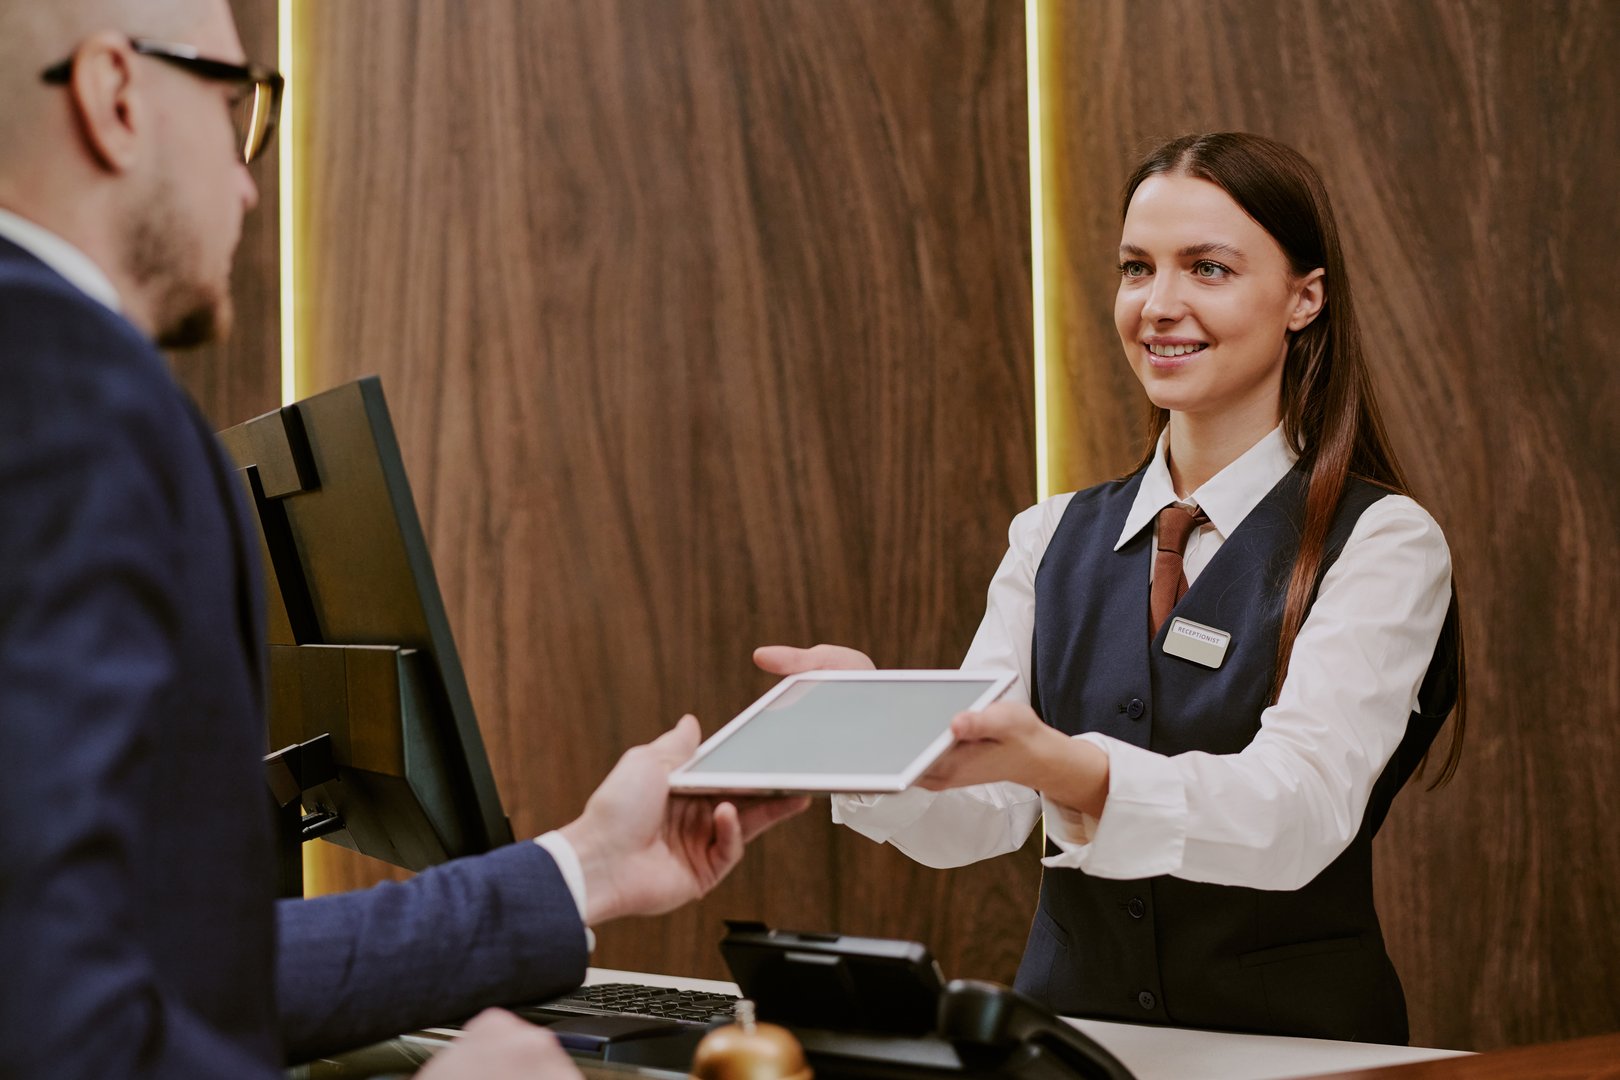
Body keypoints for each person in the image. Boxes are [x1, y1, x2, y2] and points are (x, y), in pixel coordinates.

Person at [0, 1, 804, 1077]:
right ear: (114, 95)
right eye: (236, 105)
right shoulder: (66, 391)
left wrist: (587, 867)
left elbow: (166, 962)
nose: (247, 179)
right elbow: (64, 1030)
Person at [758, 132, 1463, 1045]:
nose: (1159, 306)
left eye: (1207, 268)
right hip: (1069, 1048)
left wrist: (1069, 768)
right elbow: (982, 819)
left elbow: (1300, 807)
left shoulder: (1385, 541)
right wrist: (866, 736)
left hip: (1298, 1050)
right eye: (1137, 268)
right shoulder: (1049, 535)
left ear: (1304, 298)